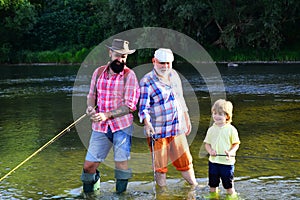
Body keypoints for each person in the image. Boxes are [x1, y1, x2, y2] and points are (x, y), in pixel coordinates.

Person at [80, 39, 140, 194]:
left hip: (122, 127)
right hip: (99, 127)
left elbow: (130, 106)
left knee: (121, 166)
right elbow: (91, 95)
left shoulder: (130, 76)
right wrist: (89, 108)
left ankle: (121, 196)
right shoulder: (98, 72)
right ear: (110, 53)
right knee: (89, 166)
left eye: (124, 57)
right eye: (117, 55)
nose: (120, 60)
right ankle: (91, 195)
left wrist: (107, 115)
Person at [139, 48, 198, 191]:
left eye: (168, 63)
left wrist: (186, 118)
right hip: (157, 131)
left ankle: (194, 187)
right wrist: (146, 124)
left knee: (186, 161)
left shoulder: (175, 75)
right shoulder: (146, 81)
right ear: (154, 61)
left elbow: (180, 98)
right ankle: (163, 193)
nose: (165, 66)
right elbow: (143, 108)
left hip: (177, 128)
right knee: (160, 167)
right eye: (162, 63)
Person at [204, 99, 240, 199]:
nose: (216, 116)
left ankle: (232, 197)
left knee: (228, 186)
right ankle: (213, 196)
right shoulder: (211, 129)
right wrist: (210, 151)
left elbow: (236, 144)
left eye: (220, 114)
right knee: (212, 185)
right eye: (214, 113)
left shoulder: (231, 129)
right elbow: (207, 144)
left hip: (227, 163)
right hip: (213, 162)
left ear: (227, 116)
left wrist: (231, 152)